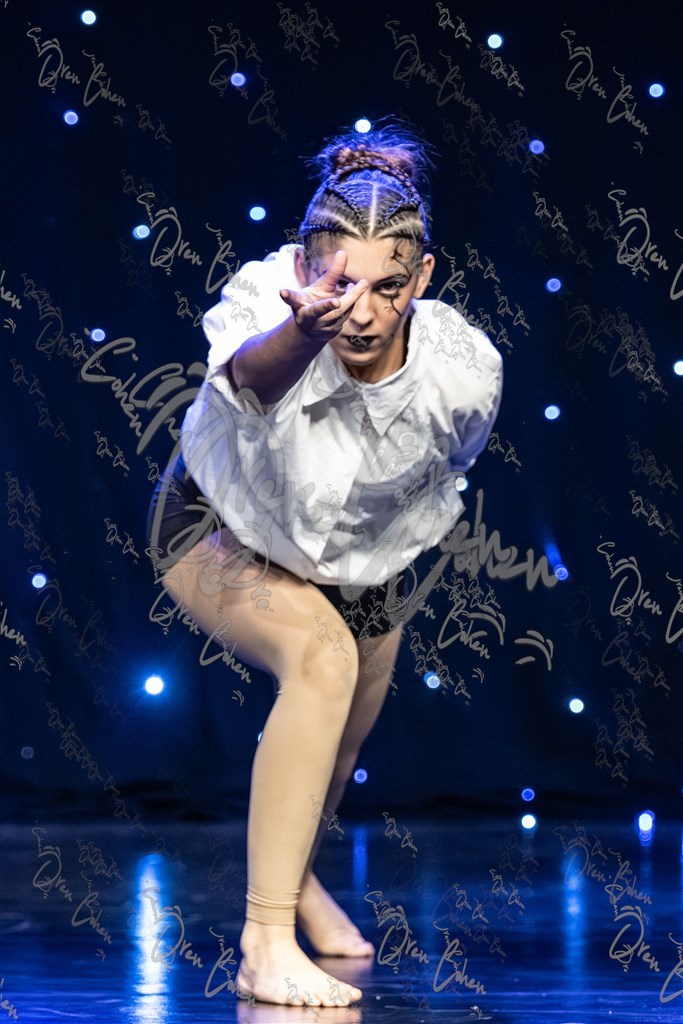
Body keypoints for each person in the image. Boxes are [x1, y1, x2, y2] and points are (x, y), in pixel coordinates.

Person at [146, 118, 503, 1008]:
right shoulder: (265, 300)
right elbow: (245, 385)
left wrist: (356, 566)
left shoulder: (466, 369)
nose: (364, 311)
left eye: (389, 287)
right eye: (341, 283)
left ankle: (296, 878)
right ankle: (264, 941)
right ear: (305, 265)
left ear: (423, 277)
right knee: (320, 659)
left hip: (365, 558)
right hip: (215, 526)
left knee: (338, 741)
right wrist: (301, 334)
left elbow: (449, 463)